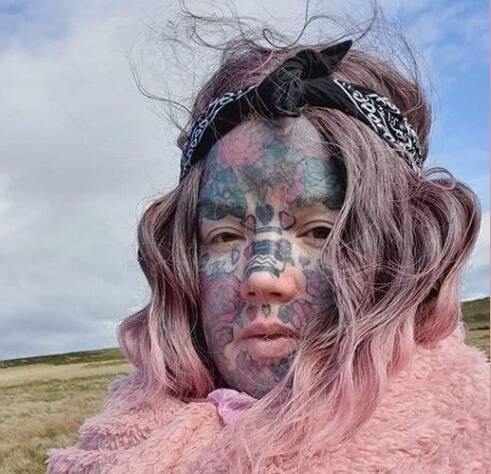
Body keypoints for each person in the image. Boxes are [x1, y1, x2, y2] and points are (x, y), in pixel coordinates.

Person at [46, 11, 490, 474]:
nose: (263, 276)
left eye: (321, 231)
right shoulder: (108, 452)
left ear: (404, 253)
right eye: (225, 235)